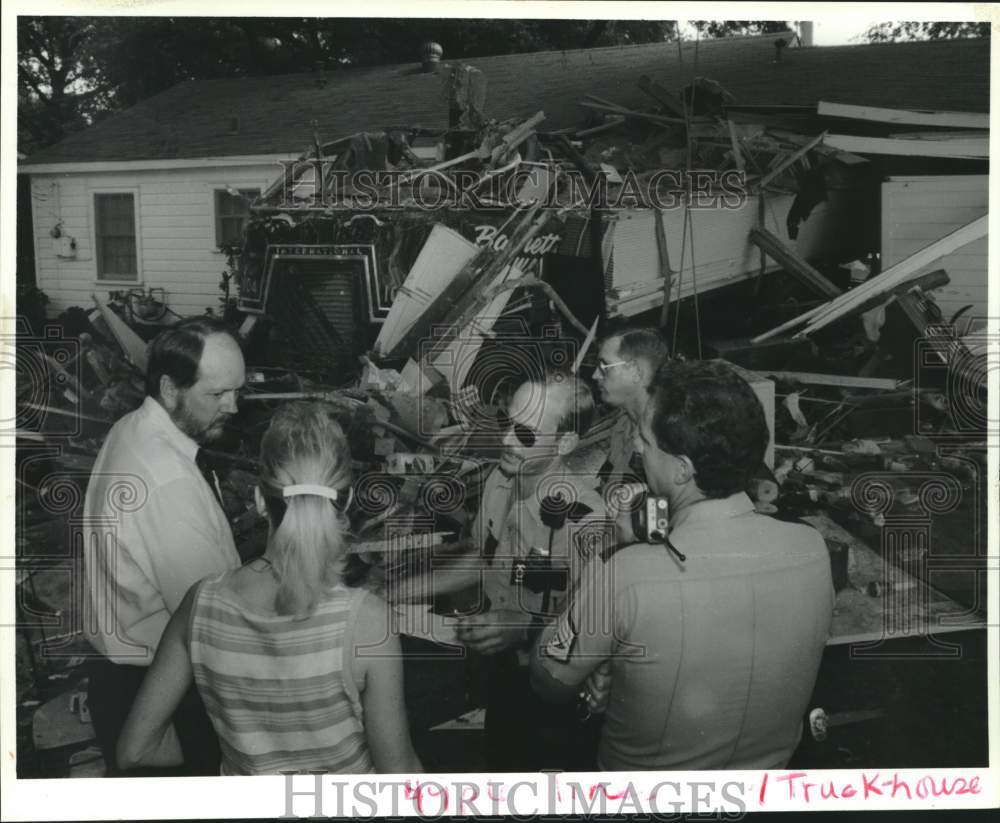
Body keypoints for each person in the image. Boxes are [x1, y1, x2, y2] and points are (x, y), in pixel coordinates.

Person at [530, 359, 834, 770]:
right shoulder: (811, 548)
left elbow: (547, 681)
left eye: (646, 439)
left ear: (682, 470)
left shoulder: (627, 574)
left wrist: (602, 563)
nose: (636, 446)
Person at [117, 401, 423, 774]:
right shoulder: (368, 623)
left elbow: (135, 751)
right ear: (347, 502)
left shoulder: (200, 604)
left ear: (261, 501)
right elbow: (400, 775)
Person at [81, 315, 246, 775]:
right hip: (158, 698)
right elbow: (215, 625)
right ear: (171, 388)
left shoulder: (132, 429)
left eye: (238, 390)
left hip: (128, 680)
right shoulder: (166, 481)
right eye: (216, 394)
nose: (233, 406)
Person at [453, 370, 615, 771]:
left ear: (565, 442)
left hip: (555, 691)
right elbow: (480, 556)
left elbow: (595, 627)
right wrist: (402, 586)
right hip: (503, 678)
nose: (506, 439)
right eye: (506, 423)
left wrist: (523, 626)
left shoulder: (586, 520)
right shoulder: (501, 478)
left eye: (524, 435)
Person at [592, 327, 668, 489]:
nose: (595, 375)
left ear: (635, 371)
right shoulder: (625, 421)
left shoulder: (663, 442)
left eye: (604, 367)